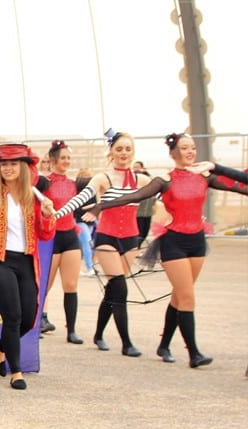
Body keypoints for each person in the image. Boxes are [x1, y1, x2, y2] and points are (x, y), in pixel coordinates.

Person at [83, 133, 248, 367]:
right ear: (173, 152)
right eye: (185, 147)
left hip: (197, 242)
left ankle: (164, 345)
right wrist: (101, 206)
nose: (190, 151)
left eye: (192, 147)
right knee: (187, 297)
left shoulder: (205, 178)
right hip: (174, 243)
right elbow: (135, 196)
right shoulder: (165, 180)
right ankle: (194, 354)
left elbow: (241, 187)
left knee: (179, 296)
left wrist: (216, 168)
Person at [53, 129, 150, 357]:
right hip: (107, 238)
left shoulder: (142, 179)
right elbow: (80, 198)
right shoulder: (102, 178)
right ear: (111, 152)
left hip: (131, 239)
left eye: (128, 149)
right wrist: (56, 215)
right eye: (119, 149)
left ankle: (98, 334)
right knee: (120, 287)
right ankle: (127, 343)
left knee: (113, 289)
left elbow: (165, 192)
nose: (124, 153)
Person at [0, 143, 55, 390]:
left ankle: (1, 347)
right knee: (13, 317)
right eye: (4, 164)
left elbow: (45, 235)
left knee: (29, 317)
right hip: (0, 263)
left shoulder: (34, 199)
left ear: (24, 167)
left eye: (13, 164)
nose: (7, 168)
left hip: (26, 262)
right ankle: (16, 371)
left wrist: (47, 215)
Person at [37, 140, 84, 344]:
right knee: (45, 285)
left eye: (68, 158)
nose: (66, 161)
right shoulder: (44, 182)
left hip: (70, 236)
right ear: (53, 160)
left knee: (71, 285)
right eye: (63, 158)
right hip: (51, 238)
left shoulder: (73, 183)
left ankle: (71, 330)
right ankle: (36, 325)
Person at [132, 161, 156, 247]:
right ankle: (136, 247)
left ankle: (138, 246)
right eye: (134, 167)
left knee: (145, 231)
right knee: (139, 232)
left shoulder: (148, 178)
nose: (136, 169)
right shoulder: (133, 179)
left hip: (147, 210)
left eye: (137, 167)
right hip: (137, 211)